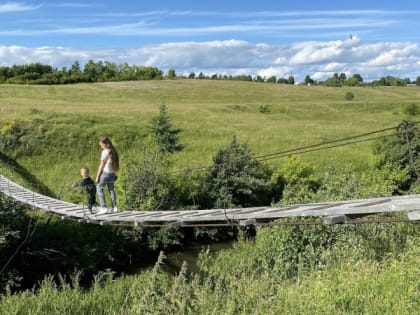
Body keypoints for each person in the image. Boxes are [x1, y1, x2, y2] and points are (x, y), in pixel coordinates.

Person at [95, 136, 119, 214]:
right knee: (111, 189)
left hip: (106, 173)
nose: (101, 147)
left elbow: (101, 165)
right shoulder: (113, 150)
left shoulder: (105, 152)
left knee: (99, 188)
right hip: (112, 173)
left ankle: (103, 207)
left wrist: (98, 176)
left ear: (106, 144)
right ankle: (114, 207)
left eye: (102, 145)